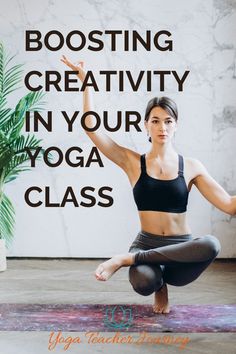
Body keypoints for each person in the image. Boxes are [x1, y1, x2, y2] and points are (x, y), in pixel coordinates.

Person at [61, 56, 236, 314]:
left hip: (180, 250)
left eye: (168, 121)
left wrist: (127, 258)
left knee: (211, 244)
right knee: (145, 281)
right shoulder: (133, 162)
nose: (162, 127)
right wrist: (87, 85)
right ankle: (157, 284)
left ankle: (124, 259)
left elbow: (230, 205)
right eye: (155, 121)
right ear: (146, 125)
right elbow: (91, 129)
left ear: (176, 125)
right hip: (147, 245)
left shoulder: (191, 167)